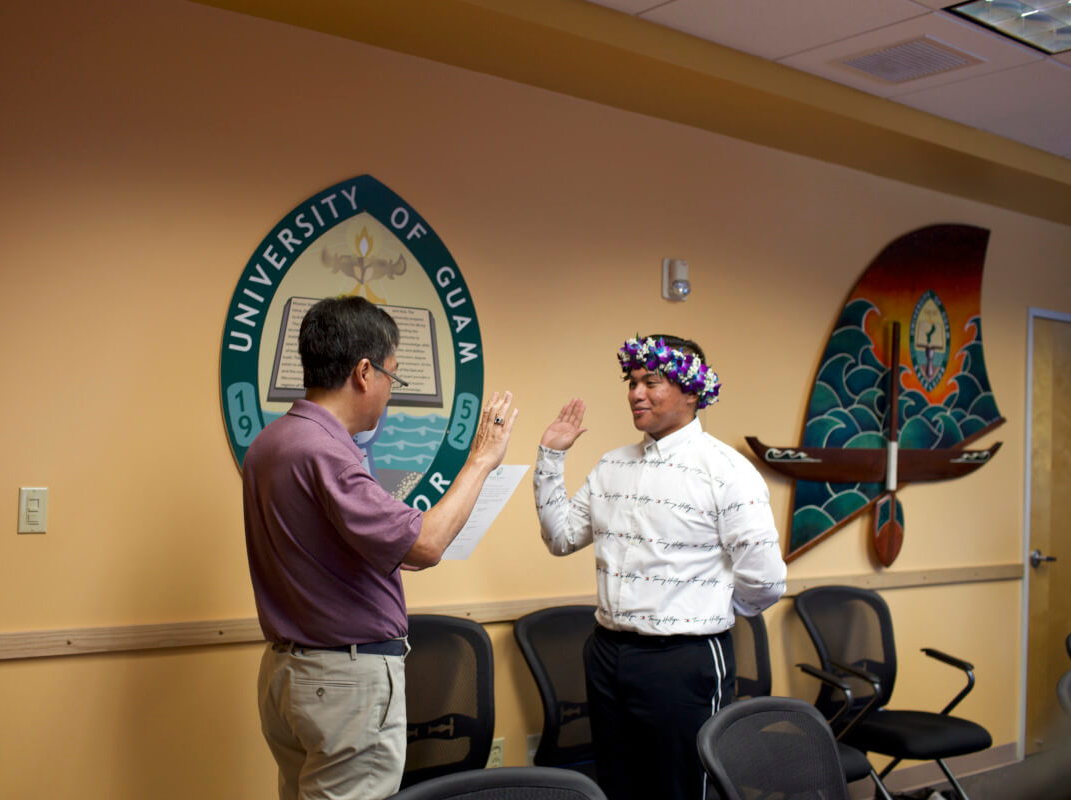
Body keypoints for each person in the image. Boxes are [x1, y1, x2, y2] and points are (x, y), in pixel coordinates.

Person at [242, 296, 518, 800]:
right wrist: (482, 460)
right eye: (392, 376)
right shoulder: (327, 453)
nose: (390, 393)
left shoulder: (271, 443)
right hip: (340, 681)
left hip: (289, 674)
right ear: (364, 372)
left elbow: (335, 549)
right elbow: (427, 544)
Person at [534, 334, 786, 800]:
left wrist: (702, 607)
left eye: (651, 381)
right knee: (617, 782)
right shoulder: (612, 466)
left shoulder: (726, 471)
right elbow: (560, 538)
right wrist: (551, 456)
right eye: (631, 382)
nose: (635, 393)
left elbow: (766, 580)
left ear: (692, 391)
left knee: (683, 785)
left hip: (684, 660)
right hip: (607, 653)